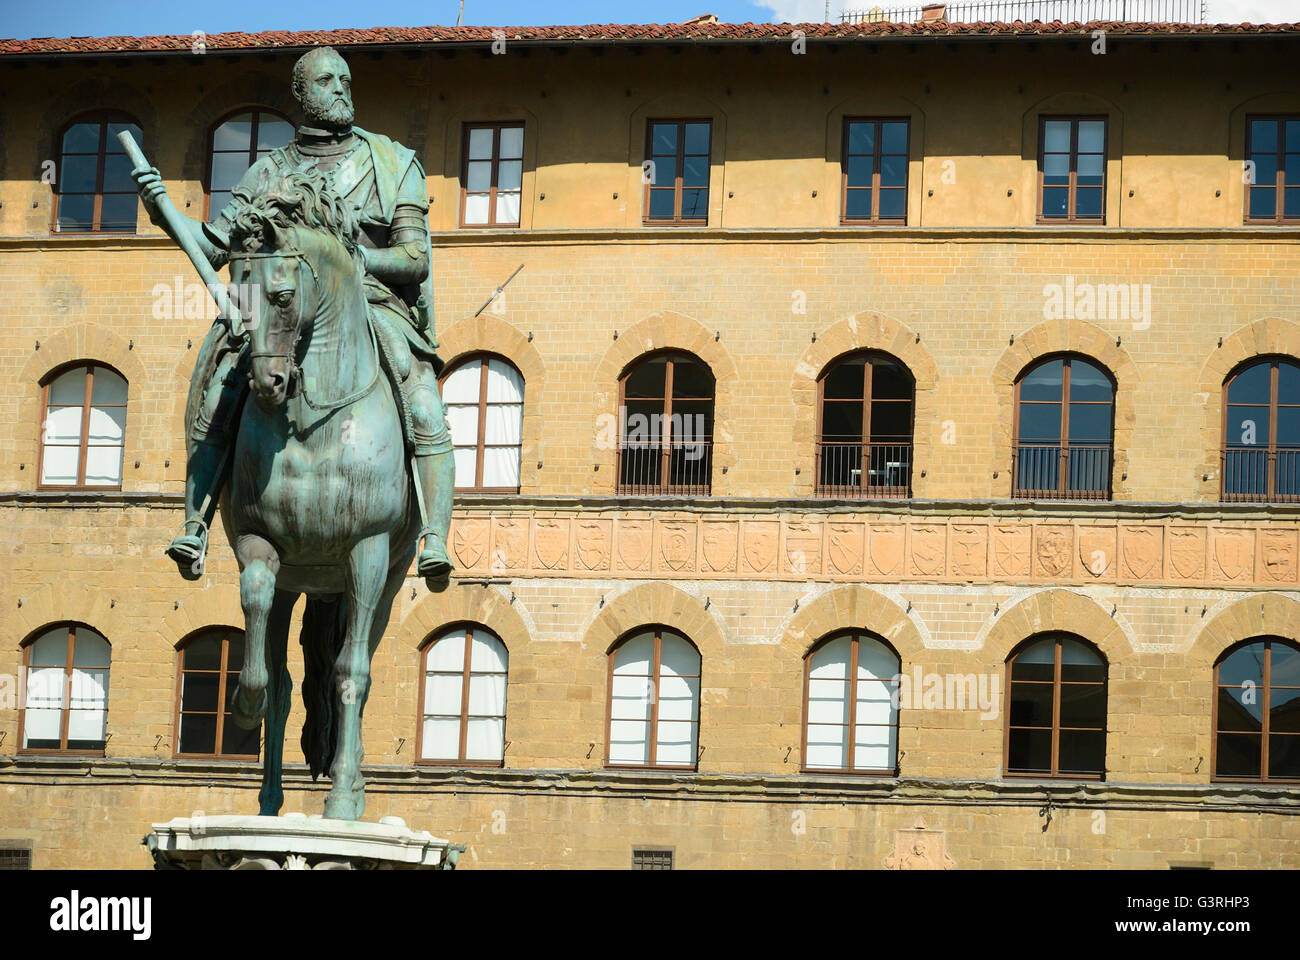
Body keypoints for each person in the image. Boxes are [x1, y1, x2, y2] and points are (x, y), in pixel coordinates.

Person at [133, 45, 454, 590]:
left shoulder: (394, 162)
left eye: (346, 80)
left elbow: (414, 260)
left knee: (422, 396)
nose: (342, 89)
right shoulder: (269, 173)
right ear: (301, 94)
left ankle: (436, 537)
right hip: (277, 305)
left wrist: (358, 260)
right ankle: (196, 522)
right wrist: (164, 213)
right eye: (327, 81)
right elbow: (214, 246)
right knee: (223, 389)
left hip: (368, 305)